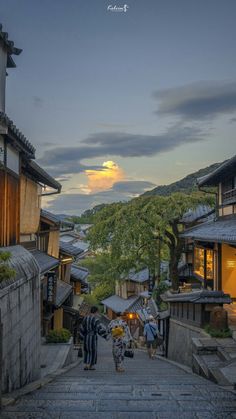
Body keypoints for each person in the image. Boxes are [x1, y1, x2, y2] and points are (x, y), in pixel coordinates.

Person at [80, 306, 107, 370]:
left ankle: (86, 365)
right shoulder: (95, 319)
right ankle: (91, 366)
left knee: (86, 351)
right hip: (93, 337)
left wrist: (81, 337)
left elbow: (81, 328)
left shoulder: (85, 318)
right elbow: (99, 329)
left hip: (86, 337)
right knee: (93, 351)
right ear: (96, 311)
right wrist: (105, 335)